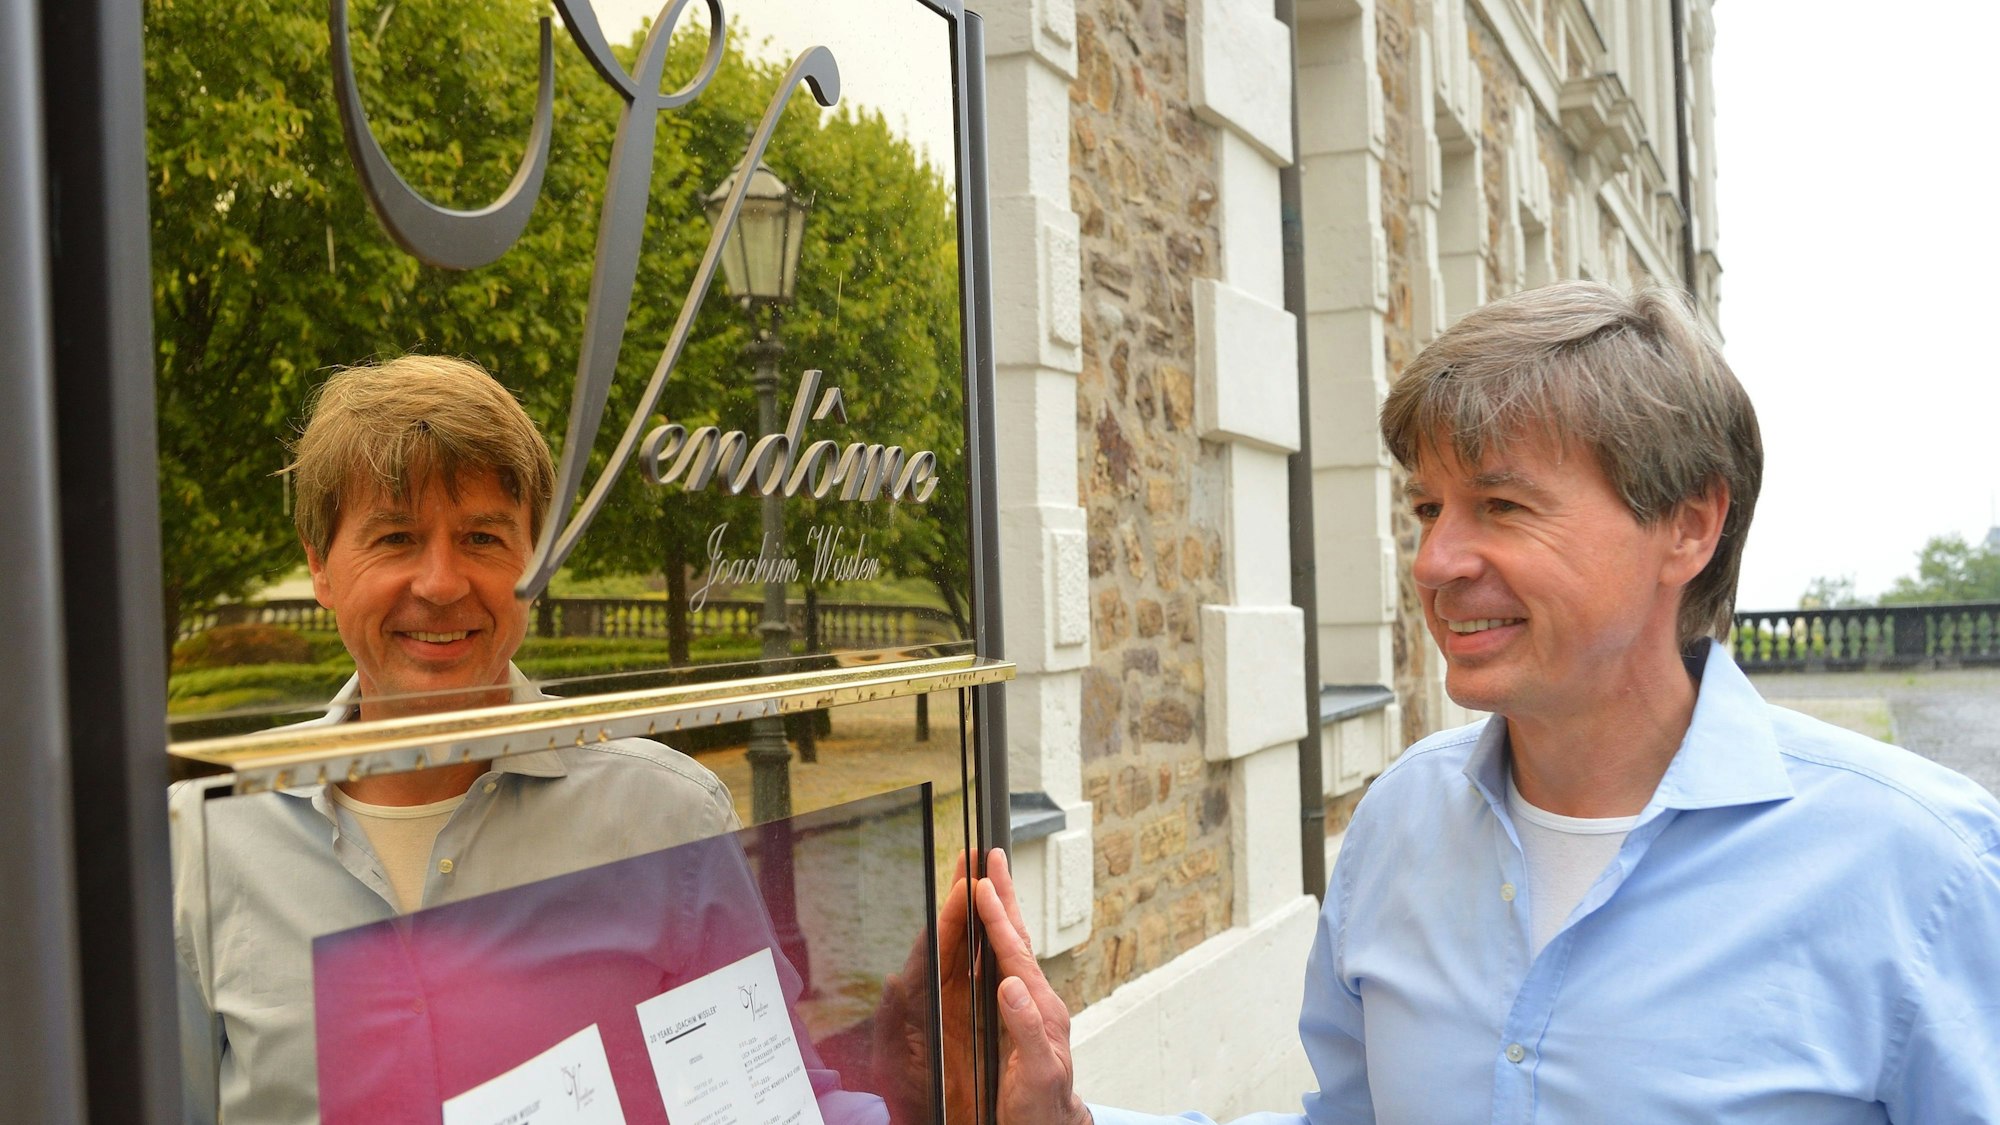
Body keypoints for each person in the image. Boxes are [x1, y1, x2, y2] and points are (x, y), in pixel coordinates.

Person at [970, 282, 2000, 1124]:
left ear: (1686, 527)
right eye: (1427, 508)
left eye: (1499, 506)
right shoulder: (1398, 822)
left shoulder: (1919, 871)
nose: (1434, 560)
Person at [170, 355, 742, 1122]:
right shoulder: (203, 835)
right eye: (397, 537)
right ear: (320, 567)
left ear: (532, 561)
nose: (441, 582)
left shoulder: (670, 819)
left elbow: (758, 1094)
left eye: (481, 537)